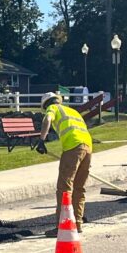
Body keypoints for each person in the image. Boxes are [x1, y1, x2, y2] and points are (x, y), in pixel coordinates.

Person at [36, 91, 93, 233]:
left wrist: (41, 140)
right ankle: (77, 224)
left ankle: (63, 226)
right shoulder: (73, 111)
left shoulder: (53, 108)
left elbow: (47, 119)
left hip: (72, 147)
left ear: (46, 104)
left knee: (64, 187)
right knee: (79, 188)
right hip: (88, 147)